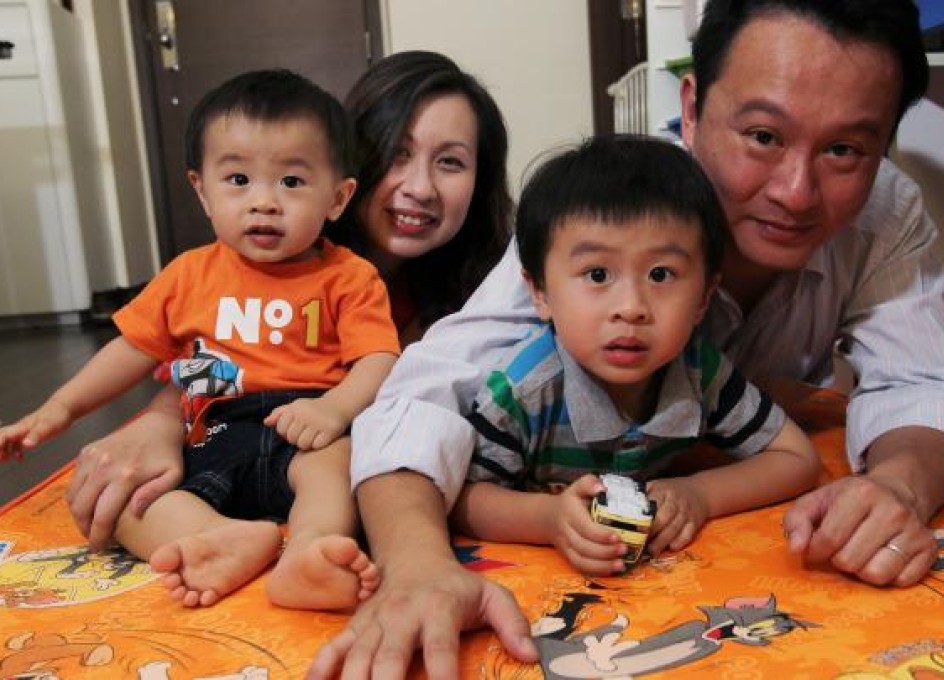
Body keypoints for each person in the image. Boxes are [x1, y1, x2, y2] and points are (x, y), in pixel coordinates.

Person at [309, 0, 944, 677]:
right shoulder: (602, 217)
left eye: (847, 149)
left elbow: (924, 385)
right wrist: (422, 567)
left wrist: (899, 488)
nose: (795, 191)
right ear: (694, 107)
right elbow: (429, 392)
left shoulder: (887, 211)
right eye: (763, 135)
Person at [62, 51, 511, 549]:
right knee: (138, 499)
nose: (420, 188)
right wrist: (160, 421)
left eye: (451, 162)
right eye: (397, 154)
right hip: (233, 447)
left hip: (337, 482)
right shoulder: (256, 266)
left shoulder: (488, 299)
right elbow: (216, 362)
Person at [0, 69, 402, 610]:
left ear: (337, 197)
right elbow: (131, 350)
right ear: (202, 190)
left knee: (335, 470)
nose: (264, 202)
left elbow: (378, 356)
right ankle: (216, 538)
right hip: (210, 425)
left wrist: (334, 408)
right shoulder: (188, 275)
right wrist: (59, 409)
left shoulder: (349, 276)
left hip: (306, 428)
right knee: (128, 503)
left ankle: (311, 553)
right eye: (238, 180)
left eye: (291, 182)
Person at [452, 136, 820, 574]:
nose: (631, 306)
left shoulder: (699, 371)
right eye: (597, 274)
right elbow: (461, 499)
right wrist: (547, 520)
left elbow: (797, 459)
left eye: (660, 274)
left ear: (704, 297)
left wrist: (700, 494)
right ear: (540, 292)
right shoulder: (524, 389)